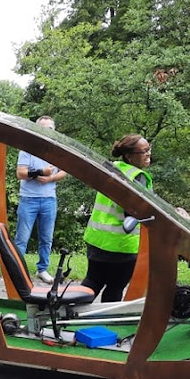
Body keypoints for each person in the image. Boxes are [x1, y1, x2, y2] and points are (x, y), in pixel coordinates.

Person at [80, 134, 153, 302]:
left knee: (93, 281)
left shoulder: (112, 168)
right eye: (144, 151)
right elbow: (136, 211)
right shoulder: (137, 177)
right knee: (115, 288)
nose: (149, 153)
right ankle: (106, 318)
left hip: (96, 239)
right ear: (129, 156)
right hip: (121, 244)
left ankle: (71, 313)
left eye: (149, 148)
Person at [14, 115, 68, 285]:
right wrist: (39, 172)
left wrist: (50, 178)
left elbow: (64, 172)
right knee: (22, 238)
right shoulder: (27, 149)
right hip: (28, 199)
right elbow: (20, 173)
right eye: (42, 128)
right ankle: (17, 271)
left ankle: (42, 269)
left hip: (49, 200)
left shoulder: (57, 150)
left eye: (49, 128)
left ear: (54, 130)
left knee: (46, 238)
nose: (46, 131)